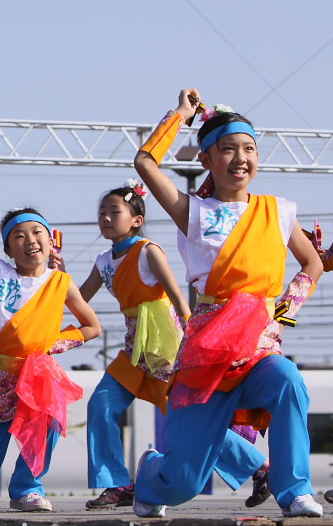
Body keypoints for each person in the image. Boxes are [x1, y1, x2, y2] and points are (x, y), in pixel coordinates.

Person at [131, 90, 323, 519]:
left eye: (249, 148)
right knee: (183, 483)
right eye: (228, 149)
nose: (241, 157)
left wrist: (284, 309)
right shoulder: (194, 212)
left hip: (258, 351)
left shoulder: (279, 211)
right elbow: (145, 164)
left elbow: (311, 262)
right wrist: (180, 115)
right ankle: (151, 474)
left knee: (289, 380)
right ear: (206, 160)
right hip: (207, 356)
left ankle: (294, 491)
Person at [76, 182, 268, 509]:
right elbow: (78, 300)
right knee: (101, 406)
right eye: (102, 213)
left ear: (136, 220)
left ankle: (260, 468)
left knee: (192, 419)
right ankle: (117, 484)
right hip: (133, 347)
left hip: (164, 347)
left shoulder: (148, 250)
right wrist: (52, 280)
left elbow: (178, 298)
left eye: (114, 212)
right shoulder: (103, 261)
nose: (106, 218)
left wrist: (192, 340)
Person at [0, 162, 100, 513]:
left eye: (37, 233)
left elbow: (91, 326)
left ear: (51, 241)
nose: (30, 240)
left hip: (36, 374)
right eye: (19, 235)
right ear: (8, 248)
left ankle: (26, 489)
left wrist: (52, 343)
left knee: (44, 424)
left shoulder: (61, 283)